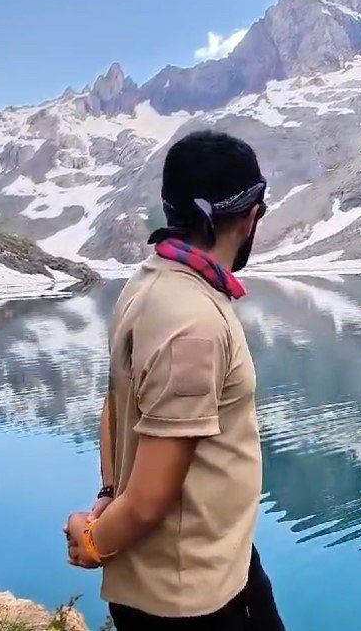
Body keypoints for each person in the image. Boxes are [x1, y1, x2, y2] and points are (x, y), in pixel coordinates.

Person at [64, 131, 284, 630]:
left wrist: (105, 492)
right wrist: (92, 542)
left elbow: (116, 403)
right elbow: (151, 499)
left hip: (215, 562)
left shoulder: (149, 281)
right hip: (192, 595)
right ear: (249, 216)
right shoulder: (193, 323)